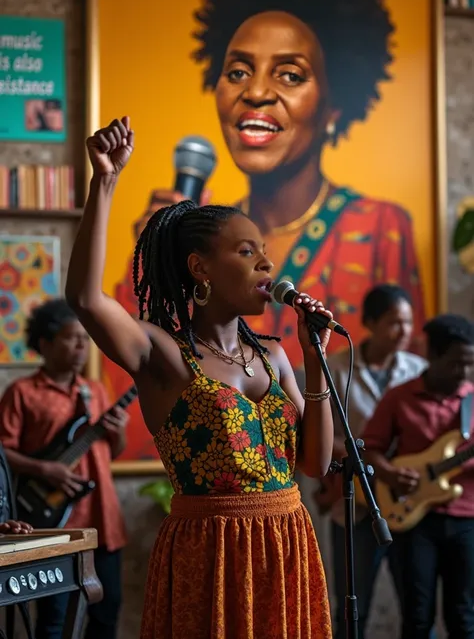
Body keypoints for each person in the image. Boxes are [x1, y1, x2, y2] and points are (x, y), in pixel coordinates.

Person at [103, 0, 425, 460]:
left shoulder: (382, 227)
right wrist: (152, 258)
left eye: (290, 74)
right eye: (237, 71)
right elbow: (140, 424)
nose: (255, 92)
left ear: (333, 106)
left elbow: (336, 449)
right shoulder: (200, 247)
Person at [65, 116, 334, 638]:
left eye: (264, 251)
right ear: (200, 268)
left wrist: (315, 358)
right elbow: (85, 298)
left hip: (288, 544)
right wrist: (105, 182)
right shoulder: (164, 354)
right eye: (247, 251)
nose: (266, 263)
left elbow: (316, 464)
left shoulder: (274, 356)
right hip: (211, 553)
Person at [0, 299, 128, 639]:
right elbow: (2, 453)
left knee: (107, 613)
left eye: (85, 339)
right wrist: (44, 470)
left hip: (102, 520)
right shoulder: (22, 393)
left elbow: (111, 452)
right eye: (72, 338)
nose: (81, 347)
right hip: (54, 524)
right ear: (45, 343)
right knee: (54, 620)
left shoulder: (95, 391)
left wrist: (119, 431)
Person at [316, 284, 426, 639]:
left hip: (409, 501)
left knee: (417, 607)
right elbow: (321, 435)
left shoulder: (418, 370)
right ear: (370, 323)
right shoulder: (335, 368)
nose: (404, 331)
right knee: (352, 607)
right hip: (355, 503)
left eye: (408, 322)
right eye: (394, 322)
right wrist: (370, 460)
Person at [363, 314, 474, 639]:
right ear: (433, 356)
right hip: (415, 522)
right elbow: (368, 449)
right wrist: (390, 474)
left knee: (464, 618)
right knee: (417, 618)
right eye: (456, 363)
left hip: (467, 520)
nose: (464, 372)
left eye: (470, 364)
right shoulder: (399, 397)